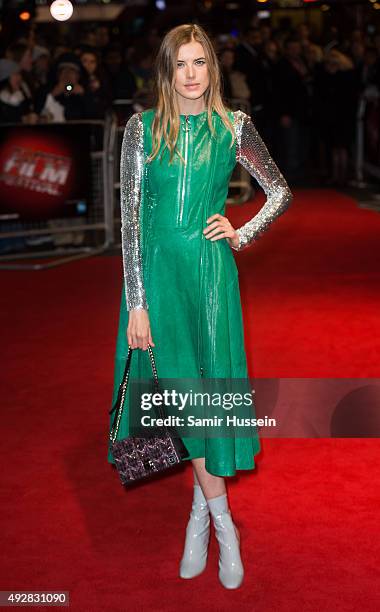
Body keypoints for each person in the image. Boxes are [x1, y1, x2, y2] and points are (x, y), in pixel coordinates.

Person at [107, 23, 293, 589]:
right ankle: (219, 521)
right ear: (166, 73)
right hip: (158, 283)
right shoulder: (140, 130)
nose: (191, 74)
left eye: (200, 63)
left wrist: (241, 230)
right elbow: (131, 225)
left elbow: (280, 191)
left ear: (213, 68)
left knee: (205, 399)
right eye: (180, 64)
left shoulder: (234, 127)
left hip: (211, 280)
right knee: (179, 398)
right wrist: (136, 303)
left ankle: (205, 520)